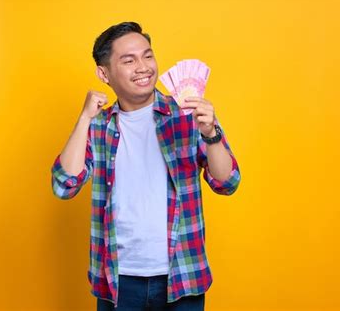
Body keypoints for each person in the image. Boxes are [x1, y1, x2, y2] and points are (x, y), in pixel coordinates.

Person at [51, 21, 241, 311]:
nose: (143, 67)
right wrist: (84, 119)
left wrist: (211, 133)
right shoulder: (99, 126)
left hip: (182, 277)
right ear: (104, 73)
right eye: (128, 60)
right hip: (118, 281)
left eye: (147, 55)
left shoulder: (188, 114)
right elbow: (64, 185)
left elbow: (228, 183)